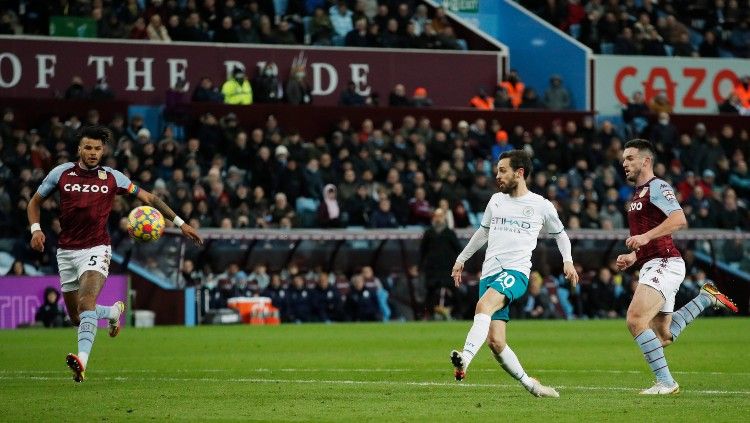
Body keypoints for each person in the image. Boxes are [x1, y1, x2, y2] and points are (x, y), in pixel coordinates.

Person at [26, 125, 203, 382]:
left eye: (97, 148)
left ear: (104, 150)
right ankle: (110, 312)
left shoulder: (112, 177)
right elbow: (34, 202)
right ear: (79, 149)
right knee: (76, 317)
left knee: (86, 302)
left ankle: (81, 362)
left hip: (97, 247)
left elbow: (150, 198)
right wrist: (35, 230)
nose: (93, 153)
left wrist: (181, 223)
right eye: (88, 147)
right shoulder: (61, 173)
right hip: (66, 251)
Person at [449, 150, 579, 397]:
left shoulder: (540, 205)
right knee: (496, 342)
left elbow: (561, 234)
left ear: (519, 173)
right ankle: (531, 385)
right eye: (497, 170)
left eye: (502, 170)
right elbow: (483, 231)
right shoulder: (495, 201)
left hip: (516, 272)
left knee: (483, 306)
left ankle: (465, 358)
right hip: (489, 274)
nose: (497, 175)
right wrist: (461, 258)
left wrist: (568, 261)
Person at [615, 139, 737, 395]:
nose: (624, 163)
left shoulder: (658, 187)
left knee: (636, 320)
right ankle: (704, 299)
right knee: (662, 337)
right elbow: (651, 235)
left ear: (646, 161)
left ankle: (666, 383)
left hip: (665, 263)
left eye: (630, 158)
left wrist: (645, 238)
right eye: (624, 159)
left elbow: (679, 219)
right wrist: (634, 256)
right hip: (652, 262)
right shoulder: (637, 194)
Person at [420, 209, 461, 319]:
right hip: (432, 269)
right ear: (433, 218)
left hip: (448, 268)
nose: (438, 219)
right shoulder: (429, 233)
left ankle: (457, 314)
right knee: (430, 292)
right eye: (436, 216)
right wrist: (420, 266)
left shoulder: (450, 233)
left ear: (444, 218)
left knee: (454, 291)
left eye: (440, 216)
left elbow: (458, 249)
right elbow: (422, 251)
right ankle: (428, 314)